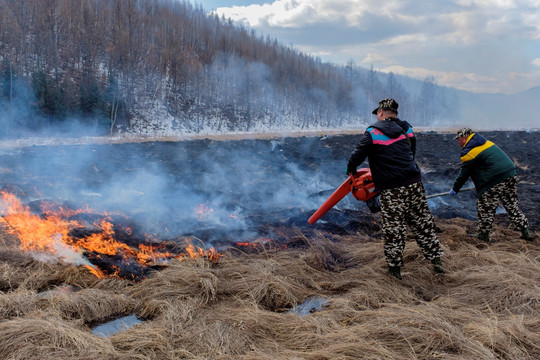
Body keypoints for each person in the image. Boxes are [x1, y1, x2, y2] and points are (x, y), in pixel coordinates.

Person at [346, 98, 444, 280]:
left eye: (377, 113)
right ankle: (437, 262)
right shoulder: (406, 128)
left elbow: (357, 155)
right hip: (414, 184)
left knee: (394, 230)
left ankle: (394, 272)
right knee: (423, 224)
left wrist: (350, 170)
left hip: (392, 189)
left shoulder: (373, 132)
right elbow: (411, 151)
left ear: (381, 112)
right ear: (395, 112)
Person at [449, 128, 533, 242]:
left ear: (465, 138)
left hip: (495, 180)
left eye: (458, 139)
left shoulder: (469, 152)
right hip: (510, 174)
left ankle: (483, 235)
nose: (458, 142)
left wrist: (455, 188)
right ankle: (525, 232)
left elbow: (463, 174)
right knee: (511, 204)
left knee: (485, 207)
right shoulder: (486, 143)